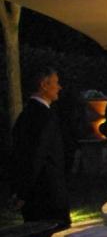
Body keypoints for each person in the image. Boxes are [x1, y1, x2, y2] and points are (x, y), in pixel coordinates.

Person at [10, 67, 71, 228]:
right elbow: (35, 155)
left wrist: (21, 190)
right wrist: (23, 192)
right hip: (47, 194)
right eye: (56, 83)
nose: (59, 87)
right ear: (44, 85)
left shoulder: (27, 114)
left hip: (35, 194)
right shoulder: (43, 116)